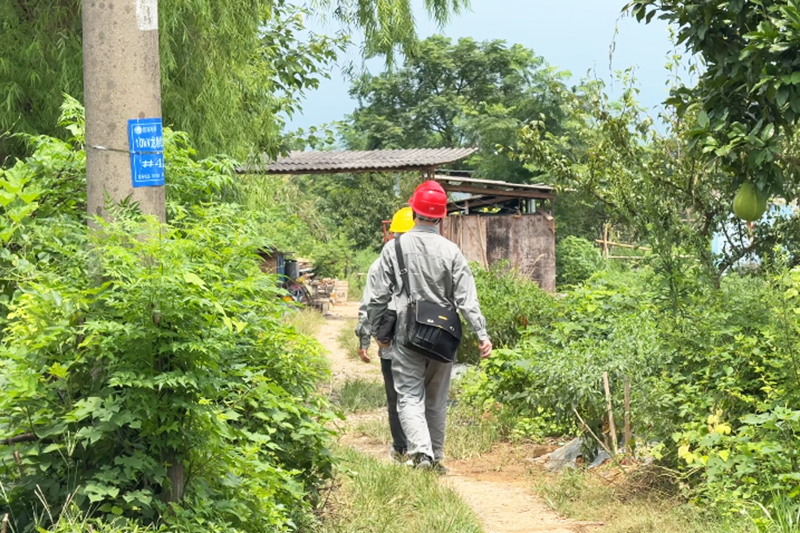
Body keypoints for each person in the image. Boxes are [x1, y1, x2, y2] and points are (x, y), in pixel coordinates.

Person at [368, 181, 492, 474]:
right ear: (441, 217)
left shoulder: (394, 248)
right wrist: (481, 334)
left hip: (406, 333)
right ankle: (435, 458)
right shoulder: (451, 250)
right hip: (444, 335)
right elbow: (466, 299)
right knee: (436, 398)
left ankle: (421, 453)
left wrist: (376, 332)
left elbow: (378, 297)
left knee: (410, 395)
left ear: (413, 211)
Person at [355, 207, 414, 462]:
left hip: (390, 341)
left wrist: (365, 338)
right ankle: (424, 449)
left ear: (392, 234)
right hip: (426, 342)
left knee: (396, 396)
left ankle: (401, 447)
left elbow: (370, 304)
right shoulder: (432, 259)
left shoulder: (380, 264)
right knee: (422, 395)